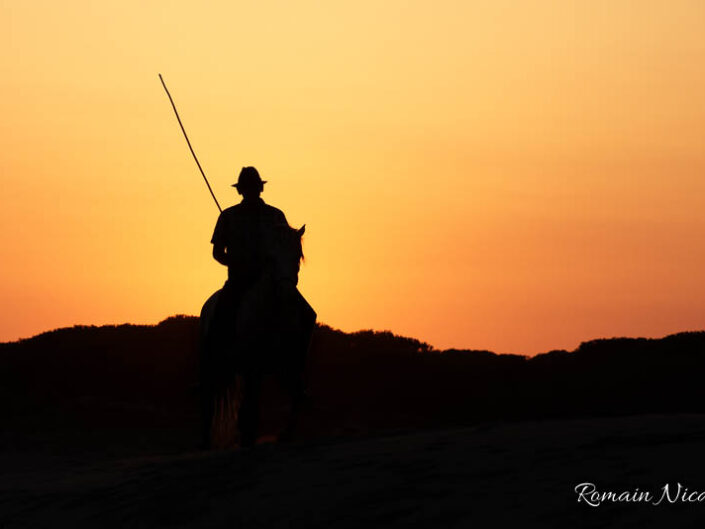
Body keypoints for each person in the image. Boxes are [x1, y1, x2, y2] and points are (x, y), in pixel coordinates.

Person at [208, 166, 289, 448]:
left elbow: (285, 246)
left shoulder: (276, 217)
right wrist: (234, 263)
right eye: (249, 187)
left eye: (254, 187)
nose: (252, 191)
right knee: (221, 314)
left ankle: (297, 374)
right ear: (243, 190)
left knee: (303, 313)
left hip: (271, 281)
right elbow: (217, 252)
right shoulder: (228, 217)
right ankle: (214, 369)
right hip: (240, 281)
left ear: (258, 189)